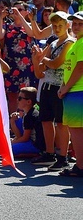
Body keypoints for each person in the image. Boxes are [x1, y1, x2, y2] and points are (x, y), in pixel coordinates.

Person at [30, 11, 74, 170]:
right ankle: (50, 153)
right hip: (47, 86)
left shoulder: (69, 42)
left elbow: (56, 63)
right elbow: (39, 72)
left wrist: (42, 59)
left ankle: (63, 156)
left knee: (61, 123)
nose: (56, 28)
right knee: (46, 120)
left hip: (60, 87)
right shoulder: (53, 43)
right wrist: (36, 59)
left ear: (67, 26)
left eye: (60, 26)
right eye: (54, 26)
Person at [0, 1, 38, 113]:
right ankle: (13, 122)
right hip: (10, 64)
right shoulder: (7, 26)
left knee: (26, 96)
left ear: (25, 12)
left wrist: (20, 16)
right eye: (14, 10)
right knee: (12, 96)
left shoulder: (29, 25)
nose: (16, 12)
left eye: (20, 10)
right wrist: (1, 18)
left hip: (25, 66)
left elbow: (31, 34)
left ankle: (25, 121)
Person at [57, 11, 83, 177]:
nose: (76, 26)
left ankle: (80, 167)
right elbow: (70, 68)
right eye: (74, 23)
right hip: (73, 91)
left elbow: (80, 67)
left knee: (76, 132)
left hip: (77, 92)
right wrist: (63, 86)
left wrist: (66, 88)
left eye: (80, 24)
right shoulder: (76, 43)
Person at [9, 87, 44, 158]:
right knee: (17, 121)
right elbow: (20, 136)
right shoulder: (26, 113)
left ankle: (36, 153)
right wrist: (12, 122)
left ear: (28, 102)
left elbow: (25, 138)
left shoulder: (30, 115)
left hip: (35, 144)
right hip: (30, 140)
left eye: (20, 98)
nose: (17, 100)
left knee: (10, 149)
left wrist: (10, 143)